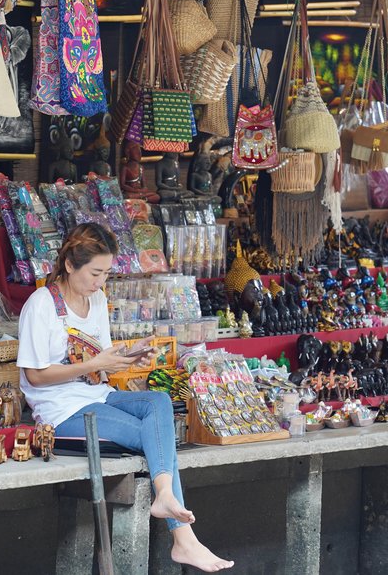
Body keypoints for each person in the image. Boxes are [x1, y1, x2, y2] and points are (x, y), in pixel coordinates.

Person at [17, 223, 233, 572]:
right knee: (152, 435)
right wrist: (97, 362)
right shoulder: (41, 305)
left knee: (158, 403)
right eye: (95, 272)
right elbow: (35, 376)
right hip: (60, 412)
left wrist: (127, 357)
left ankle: (166, 499)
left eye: (106, 273)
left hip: (98, 395)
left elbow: (101, 366)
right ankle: (184, 537)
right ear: (70, 265)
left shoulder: (97, 299)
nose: (100, 282)